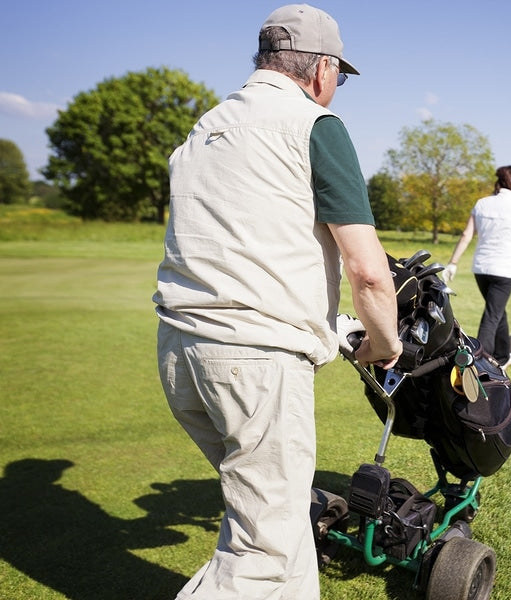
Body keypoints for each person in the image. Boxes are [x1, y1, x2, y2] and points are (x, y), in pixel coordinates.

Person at [153, 5, 402, 599]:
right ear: (321, 68)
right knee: (261, 549)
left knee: (284, 522)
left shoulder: (207, 125)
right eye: (340, 77)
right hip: (255, 361)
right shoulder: (315, 125)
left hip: (180, 352)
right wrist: (386, 344)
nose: (336, 89)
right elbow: (369, 272)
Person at [445, 165, 511, 367]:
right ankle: (478, 365)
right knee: (492, 315)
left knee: (497, 309)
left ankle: (502, 355)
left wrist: (453, 263)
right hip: (504, 270)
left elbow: (467, 235)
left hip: (481, 269)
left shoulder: (482, 204)